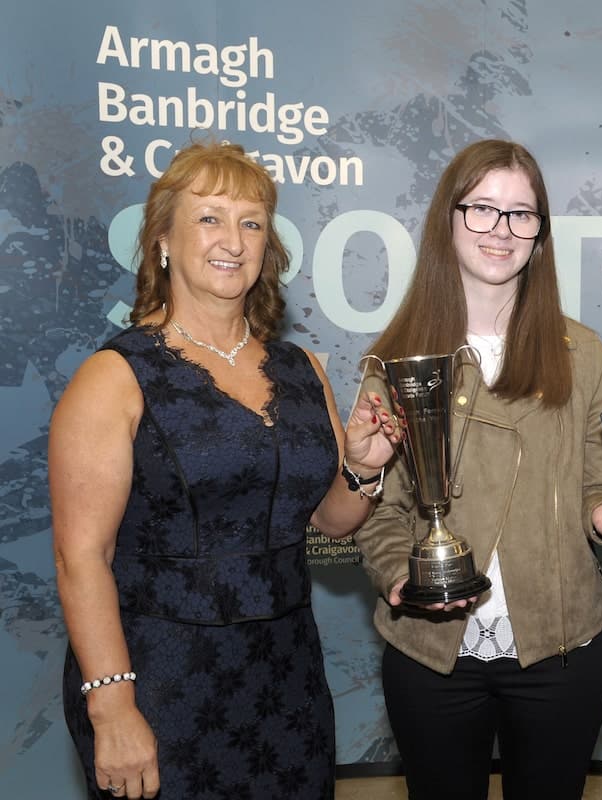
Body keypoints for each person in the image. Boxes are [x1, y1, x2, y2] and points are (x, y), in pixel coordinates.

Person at [49, 140, 398, 799]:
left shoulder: (303, 370)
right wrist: (111, 707)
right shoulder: (114, 377)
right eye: (209, 217)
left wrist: (360, 469)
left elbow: (332, 520)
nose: (232, 240)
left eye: (251, 222)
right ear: (161, 240)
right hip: (162, 679)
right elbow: (80, 558)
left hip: (288, 678)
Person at [352, 139, 602, 800]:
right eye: (481, 209)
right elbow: (378, 509)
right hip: (432, 650)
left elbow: (599, 481)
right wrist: (401, 577)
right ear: (447, 221)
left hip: (562, 650)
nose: (501, 230)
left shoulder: (582, 353)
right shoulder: (395, 361)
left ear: (540, 234)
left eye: (521, 213)